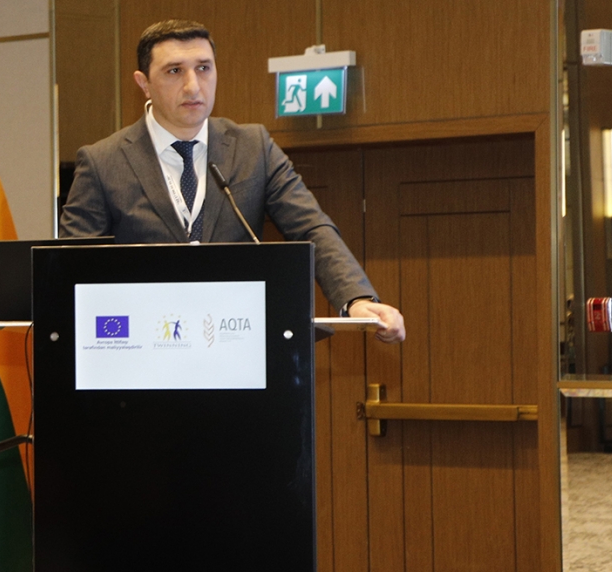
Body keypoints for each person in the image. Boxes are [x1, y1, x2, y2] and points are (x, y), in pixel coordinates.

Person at [60, 19, 405, 343]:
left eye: (204, 68)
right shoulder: (103, 162)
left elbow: (311, 227)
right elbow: (69, 267)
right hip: (143, 345)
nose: (193, 85)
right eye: (174, 71)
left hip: (236, 340)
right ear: (143, 83)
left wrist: (356, 298)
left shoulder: (253, 147)